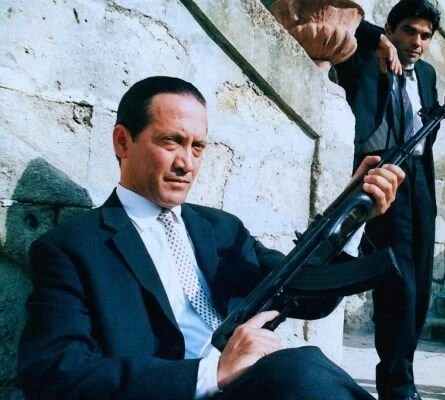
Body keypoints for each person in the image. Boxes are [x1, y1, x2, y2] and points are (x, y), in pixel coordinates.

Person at [18, 76, 404, 400]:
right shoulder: (72, 248)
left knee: (302, 366)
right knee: (299, 370)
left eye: (197, 147)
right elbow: (53, 374)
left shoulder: (222, 230)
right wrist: (212, 373)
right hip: (176, 391)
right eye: (170, 141)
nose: (186, 163)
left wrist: (350, 214)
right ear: (122, 141)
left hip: (255, 387)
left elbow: (307, 296)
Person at [335, 1, 441, 399]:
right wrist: (378, 41)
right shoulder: (366, 58)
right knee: (398, 285)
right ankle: (397, 386)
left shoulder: (427, 74)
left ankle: (403, 376)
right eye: (409, 31)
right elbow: (344, 19)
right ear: (392, 29)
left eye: (425, 36)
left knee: (420, 285)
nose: (417, 42)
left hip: (419, 181)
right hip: (381, 173)